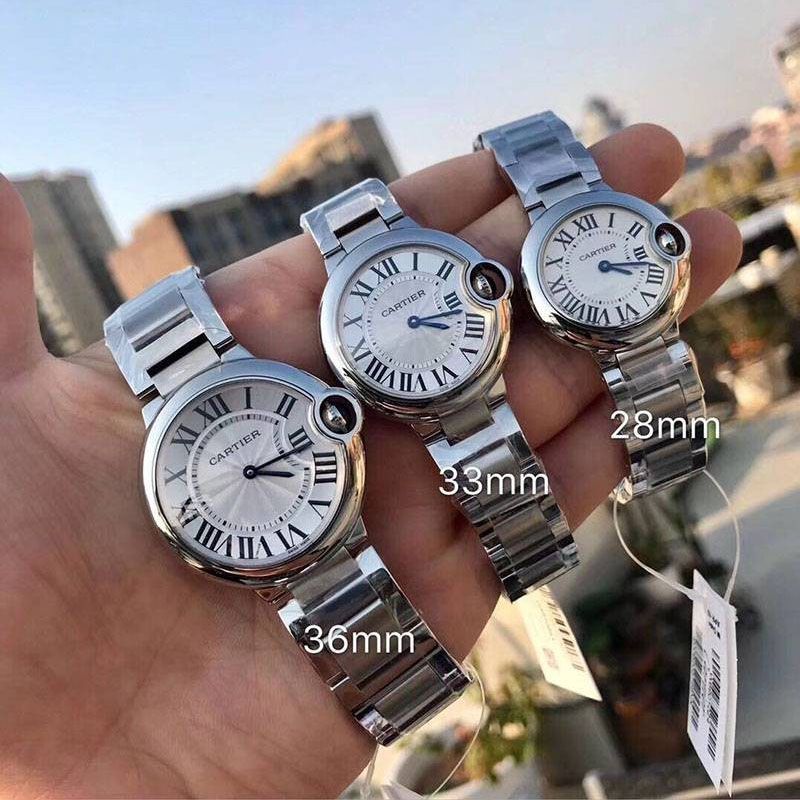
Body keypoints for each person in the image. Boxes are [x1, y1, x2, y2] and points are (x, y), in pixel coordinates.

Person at [0, 123, 741, 798]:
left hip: (427, 415)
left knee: (514, 520)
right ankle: (410, 682)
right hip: (306, 539)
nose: (250, 466)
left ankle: (467, 626)